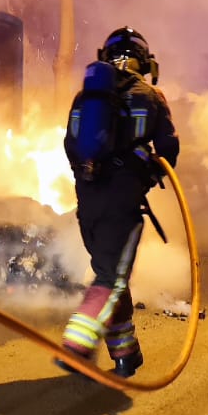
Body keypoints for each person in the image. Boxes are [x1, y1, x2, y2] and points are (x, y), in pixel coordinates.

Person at [57, 27, 180, 378]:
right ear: (145, 62)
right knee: (111, 278)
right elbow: (169, 150)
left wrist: (91, 177)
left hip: (88, 206)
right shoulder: (151, 96)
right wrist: (144, 173)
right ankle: (77, 345)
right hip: (122, 205)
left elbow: (70, 144)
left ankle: (127, 355)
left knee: (111, 275)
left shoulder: (85, 97)